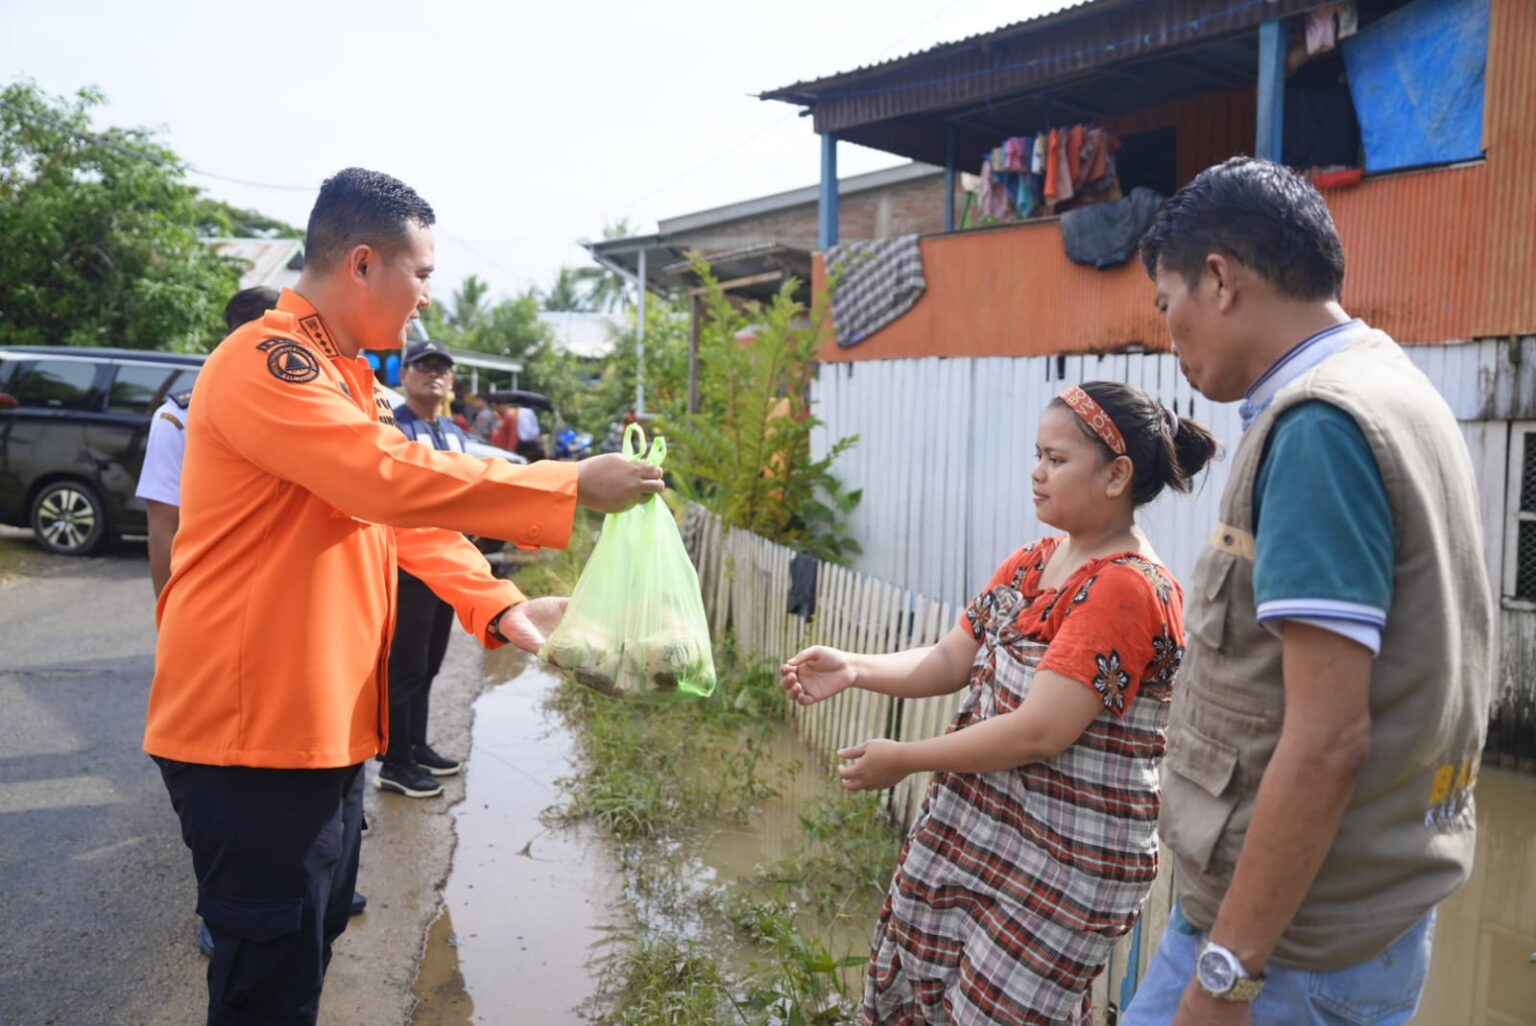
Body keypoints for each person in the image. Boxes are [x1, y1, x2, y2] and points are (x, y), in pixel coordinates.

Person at [143, 167, 663, 1025]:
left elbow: (401, 520)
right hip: (250, 741)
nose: (424, 299)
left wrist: (496, 602)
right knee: (263, 986)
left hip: (318, 732)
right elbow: (385, 478)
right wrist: (567, 483)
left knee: (304, 956)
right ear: (360, 264)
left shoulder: (341, 375)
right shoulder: (268, 362)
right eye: (420, 275)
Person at [1122, 157, 1492, 1026]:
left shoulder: (1321, 425)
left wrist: (1225, 979)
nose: (1169, 336)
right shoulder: (1394, 384)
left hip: (1286, 949)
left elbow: (1327, 738)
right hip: (1365, 914)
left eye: (1166, 303)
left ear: (1220, 279)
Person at [781, 381, 1217, 1024]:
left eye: (1057, 460)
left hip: (1065, 862)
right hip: (984, 825)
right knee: (929, 992)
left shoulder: (1128, 588)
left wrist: (907, 756)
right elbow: (950, 659)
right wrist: (855, 667)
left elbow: (1040, 731)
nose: (1036, 474)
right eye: (1037, 454)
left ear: (1116, 475)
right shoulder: (1032, 563)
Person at [137, 286, 279, 597]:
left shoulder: (306, 410)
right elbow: (164, 527)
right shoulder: (179, 418)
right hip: (217, 589)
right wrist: (168, 614)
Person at [379, 338, 472, 798]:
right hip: (409, 564)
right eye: (423, 366)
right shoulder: (394, 426)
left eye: (441, 368)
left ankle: (415, 745)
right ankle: (394, 761)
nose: (433, 374)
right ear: (404, 376)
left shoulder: (455, 431)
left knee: (431, 662)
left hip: (447, 566)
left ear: (451, 380)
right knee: (406, 665)